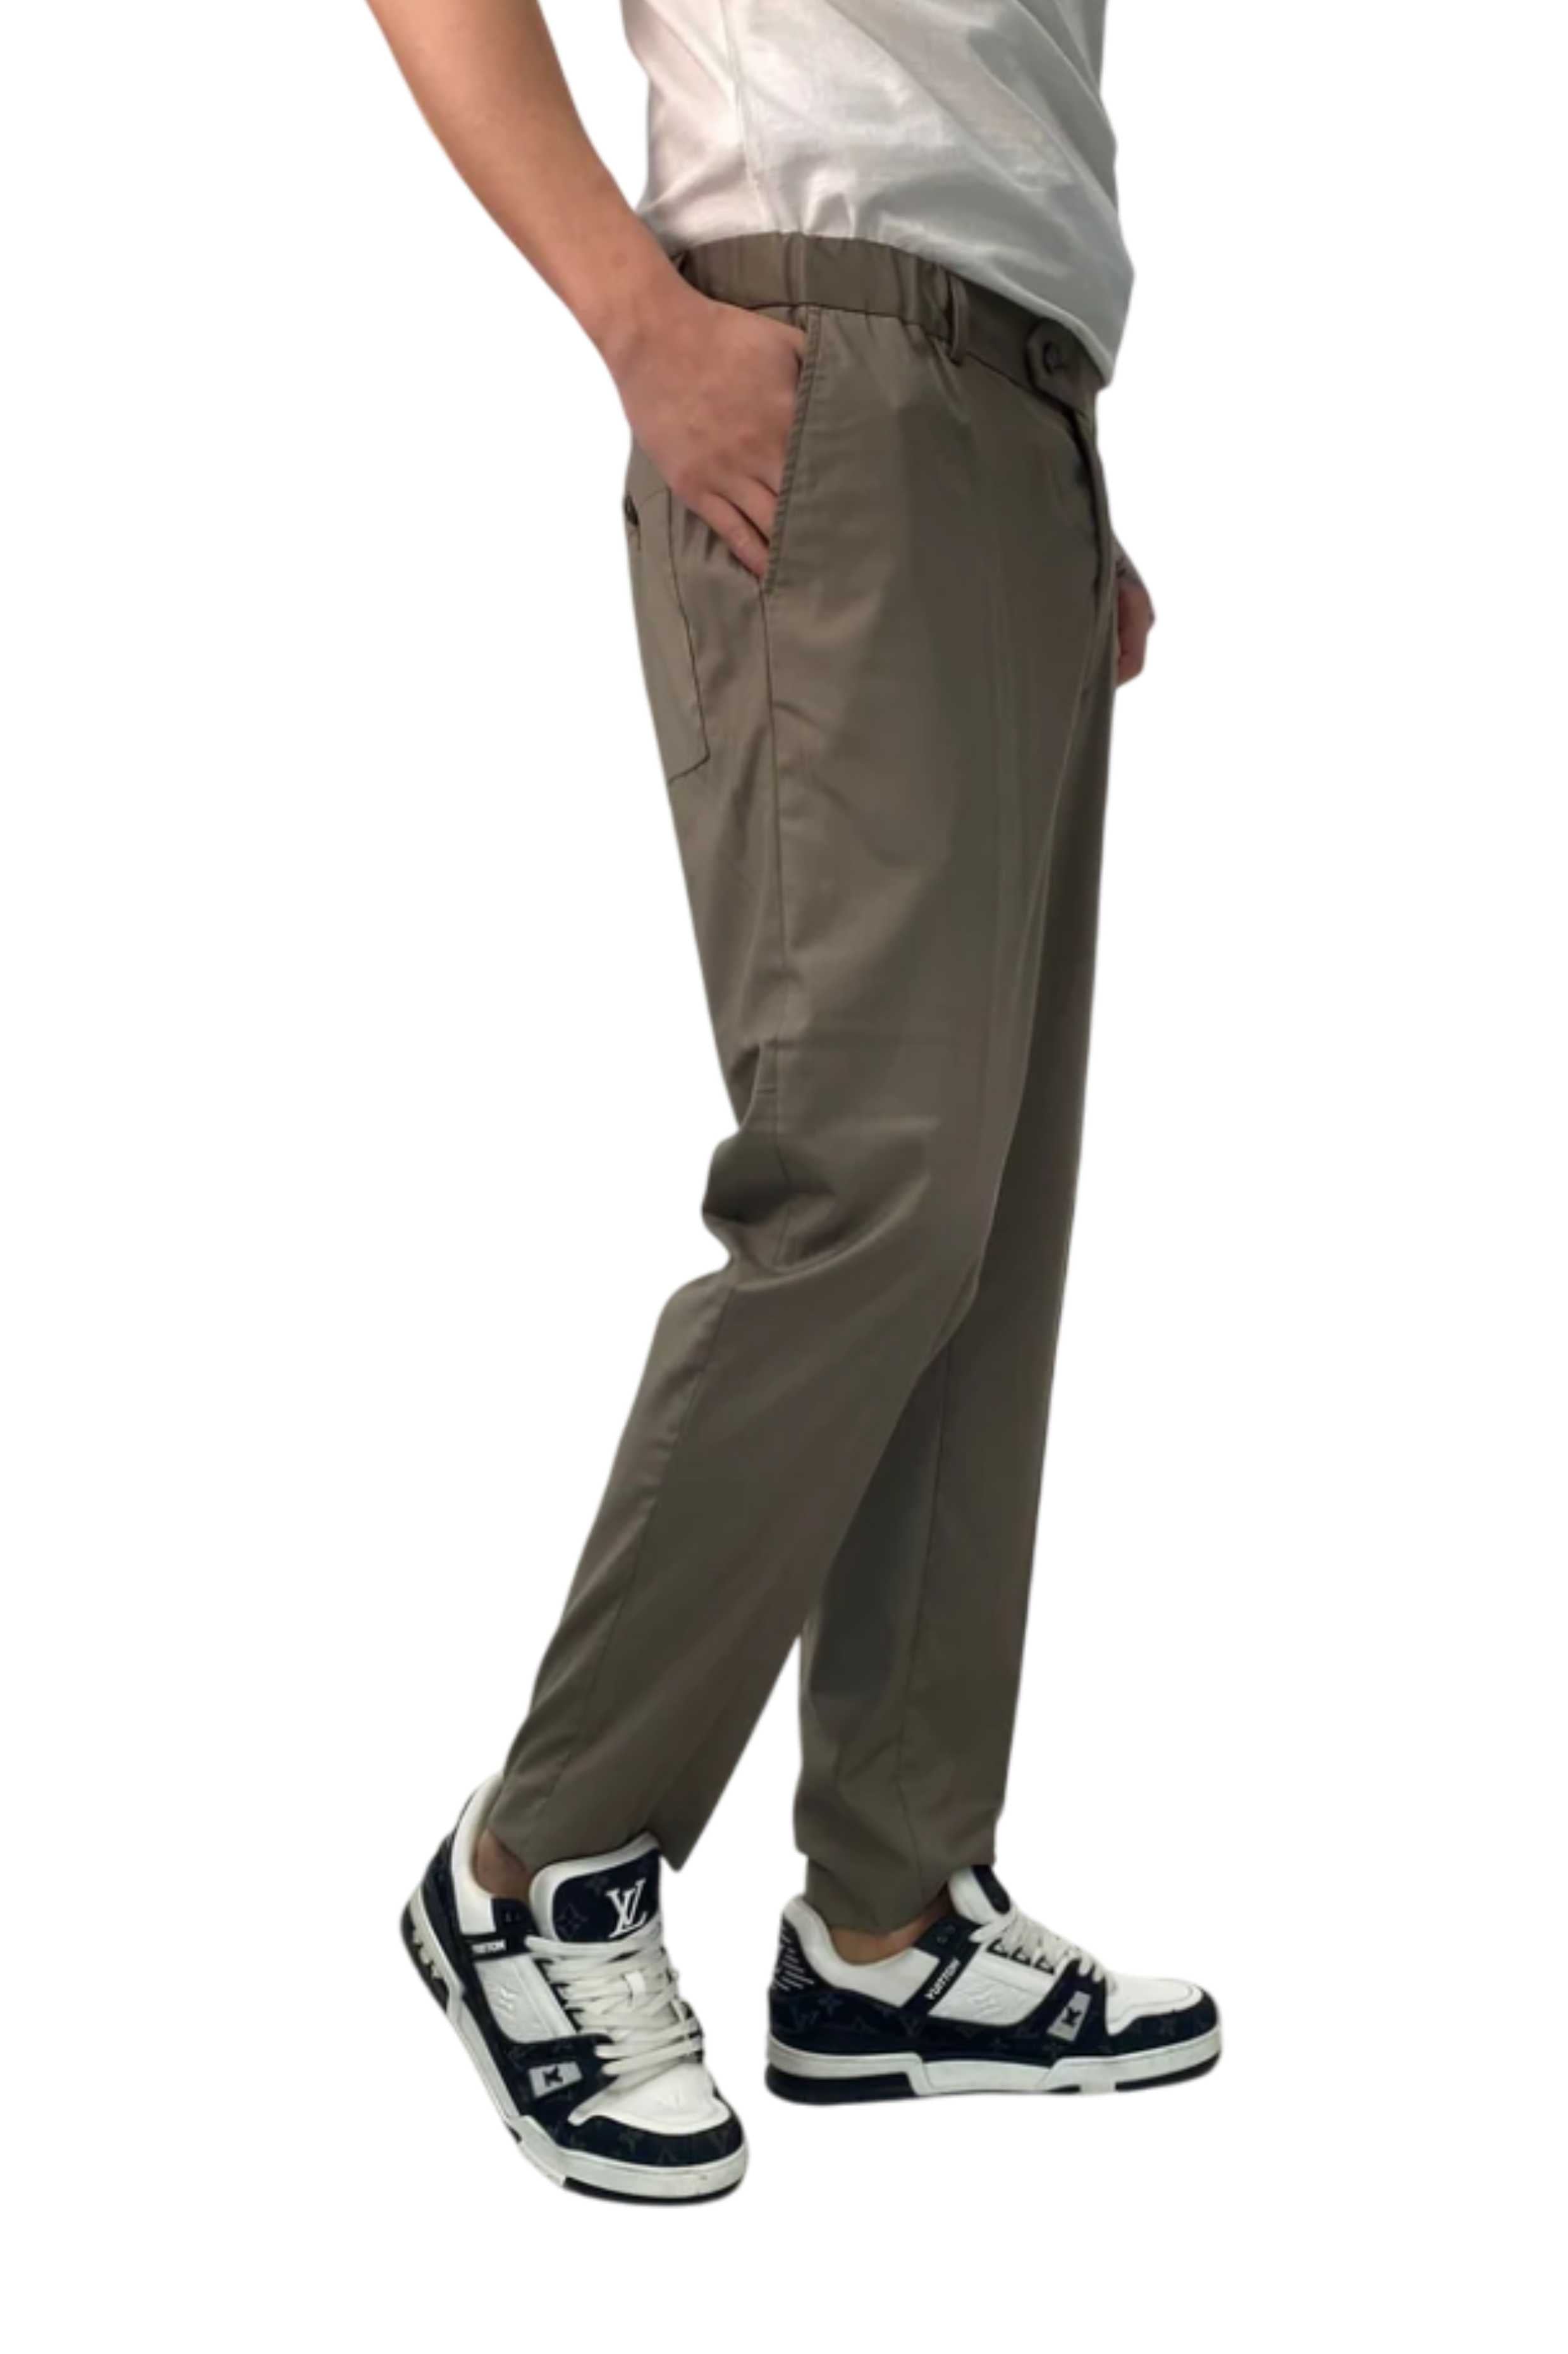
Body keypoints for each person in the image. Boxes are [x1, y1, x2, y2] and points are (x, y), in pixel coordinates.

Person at [374, 0, 1218, 2206]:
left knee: (983, 1227)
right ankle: (536, 1861)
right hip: (814, 381)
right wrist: (638, 321)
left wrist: (1037, 467)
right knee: (873, 1188)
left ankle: (888, 1916)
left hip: (1013, 420)